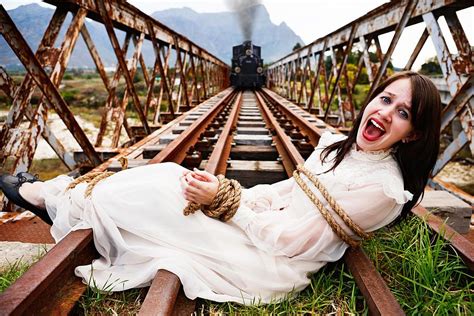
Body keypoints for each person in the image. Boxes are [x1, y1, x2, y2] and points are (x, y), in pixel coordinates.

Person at [0, 71, 441, 304]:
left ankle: (54, 200)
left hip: (269, 264)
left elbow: (291, 244)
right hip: (262, 229)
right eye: (385, 99)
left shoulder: (382, 190)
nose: (385, 113)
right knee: (172, 177)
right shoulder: (336, 146)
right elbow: (291, 190)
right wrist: (231, 192)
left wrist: (228, 207)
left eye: (403, 113)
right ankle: (65, 198)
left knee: (161, 193)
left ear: (415, 134)